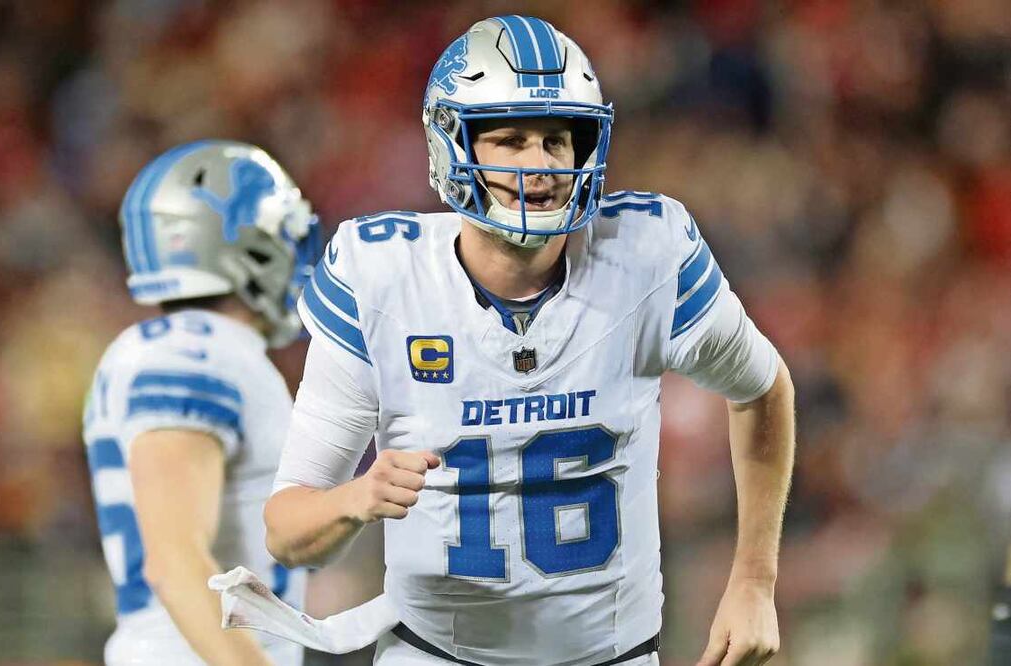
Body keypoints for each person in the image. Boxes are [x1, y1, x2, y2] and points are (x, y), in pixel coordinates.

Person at [265, 16, 794, 666]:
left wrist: (753, 581)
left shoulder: (647, 256)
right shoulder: (382, 279)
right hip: (436, 655)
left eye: (555, 140)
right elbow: (287, 531)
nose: (538, 166)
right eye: (510, 140)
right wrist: (355, 499)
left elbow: (762, 387)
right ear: (450, 145)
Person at [82, 140, 321, 666]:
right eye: (280, 233)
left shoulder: (176, 349)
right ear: (245, 248)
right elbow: (173, 563)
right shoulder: (196, 355)